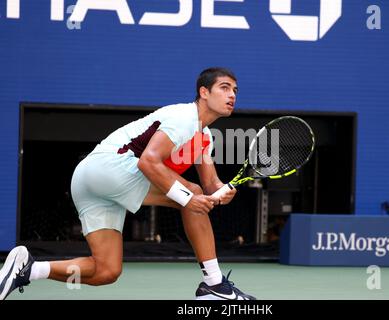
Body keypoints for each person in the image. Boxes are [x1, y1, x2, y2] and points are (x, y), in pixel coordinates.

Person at [0, 67, 256, 300]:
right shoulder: (184, 117)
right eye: (224, 88)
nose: (232, 95)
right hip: (109, 167)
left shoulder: (204, 136)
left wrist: (223, 191)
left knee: (106, 271)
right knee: (192, 194)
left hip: (89, 181)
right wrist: (189, 198)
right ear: (204, 92)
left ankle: (29, 269)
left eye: (234, 90)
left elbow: (210, 183)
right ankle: (213, 284)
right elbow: (149, 162)